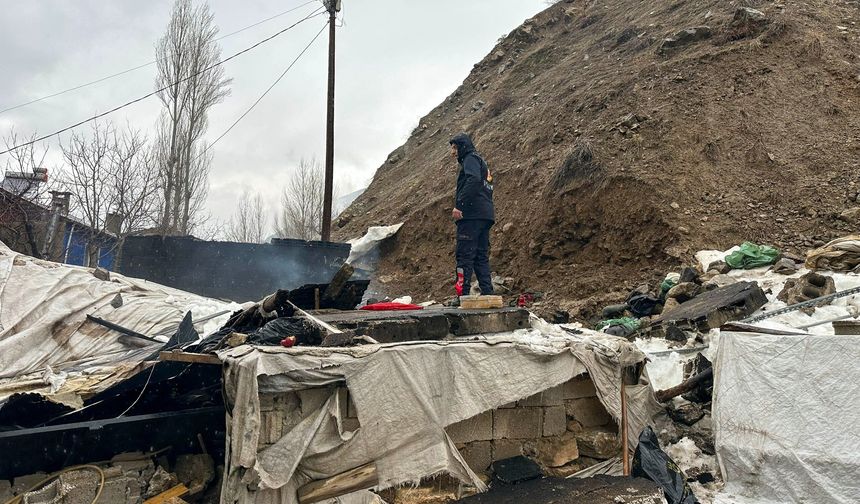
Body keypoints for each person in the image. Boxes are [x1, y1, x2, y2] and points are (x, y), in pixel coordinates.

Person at [449, 133, 495, 297]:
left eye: (455, 148)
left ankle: (462, 295)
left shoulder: (470, 158)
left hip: (471, 216)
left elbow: (473, 180)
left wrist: (459, 205)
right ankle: (488, 293)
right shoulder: (481, 162)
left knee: (464, 256)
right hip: (485, 215)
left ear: (462, 147)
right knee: (480, 256)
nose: (453, 152)